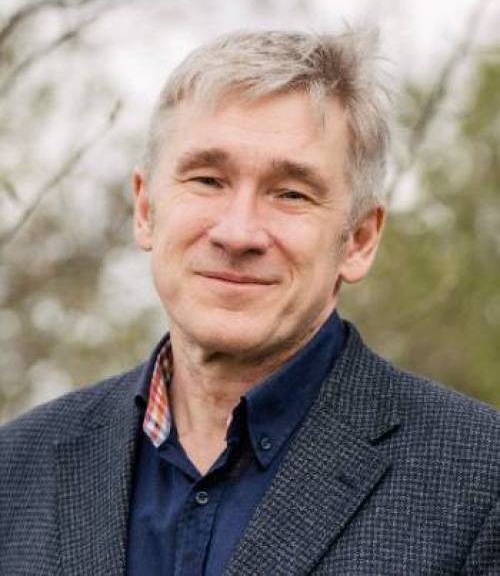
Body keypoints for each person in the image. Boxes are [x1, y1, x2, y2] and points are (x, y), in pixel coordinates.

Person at [0, 29, 499, 576]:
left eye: (291, 193)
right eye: (207, 180)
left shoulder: (482, 483)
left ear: (358, 240)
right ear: (145, 210)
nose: (238, 233)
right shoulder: (15, 470)